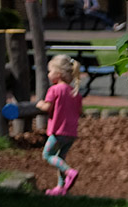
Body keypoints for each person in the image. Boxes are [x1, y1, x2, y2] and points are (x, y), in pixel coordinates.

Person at [36, 55, 84, 197]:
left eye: (50, 71)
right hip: (71, 133)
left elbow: (47, 107)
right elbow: (80, 111)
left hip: (58, 132)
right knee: (60, 159)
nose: (48, 74)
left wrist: (39, 104)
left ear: (59, 73)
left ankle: (70, 172)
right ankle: (61, 188)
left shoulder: (55, 90)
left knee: (47, 155)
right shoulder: (75, 92)